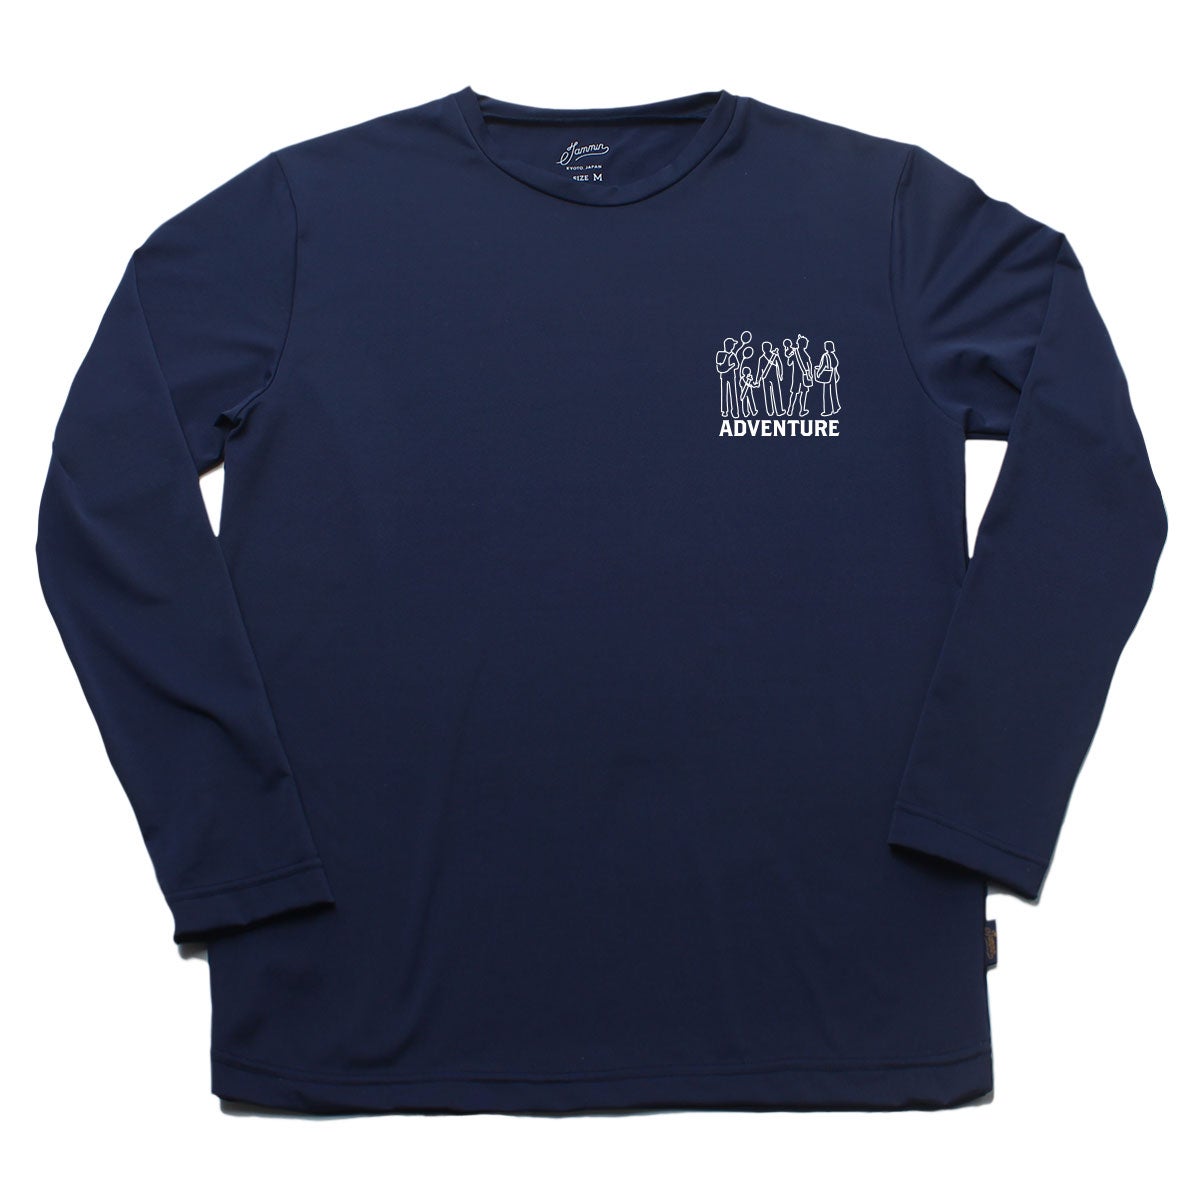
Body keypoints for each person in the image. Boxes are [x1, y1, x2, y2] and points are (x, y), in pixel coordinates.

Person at [783, 334, 814, 416]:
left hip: (796, 377)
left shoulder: (795, 353)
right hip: (804, 376)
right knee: (803, 393)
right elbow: (809, 365)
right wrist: (810, 375)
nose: (806, 344)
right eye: (805, 343)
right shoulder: (805, 354)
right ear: (803, 344)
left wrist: (789, 352)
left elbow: (789, 363)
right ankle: (802, 410)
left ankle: (790, 410)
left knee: (794, 393)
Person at [757, 340, 786, 416]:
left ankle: (771, 411)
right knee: (774, 393)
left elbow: (780, 365)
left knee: (771, 394)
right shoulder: (764, 358)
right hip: (770, 377)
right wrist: (780, 375)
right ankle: (776, 411)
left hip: (769, 377)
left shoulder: (771, 356)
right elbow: (780, 365)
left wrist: (758, 380)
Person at [815, 339, 841, 416]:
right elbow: (835, 365)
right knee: (833, 392)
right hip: (833, 375)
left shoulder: (825, 355)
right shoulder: (833, 355)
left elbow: (822, 366)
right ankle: (836, 407)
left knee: (827, 393)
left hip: (827, 375)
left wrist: (818, 373)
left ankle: (828, 411)